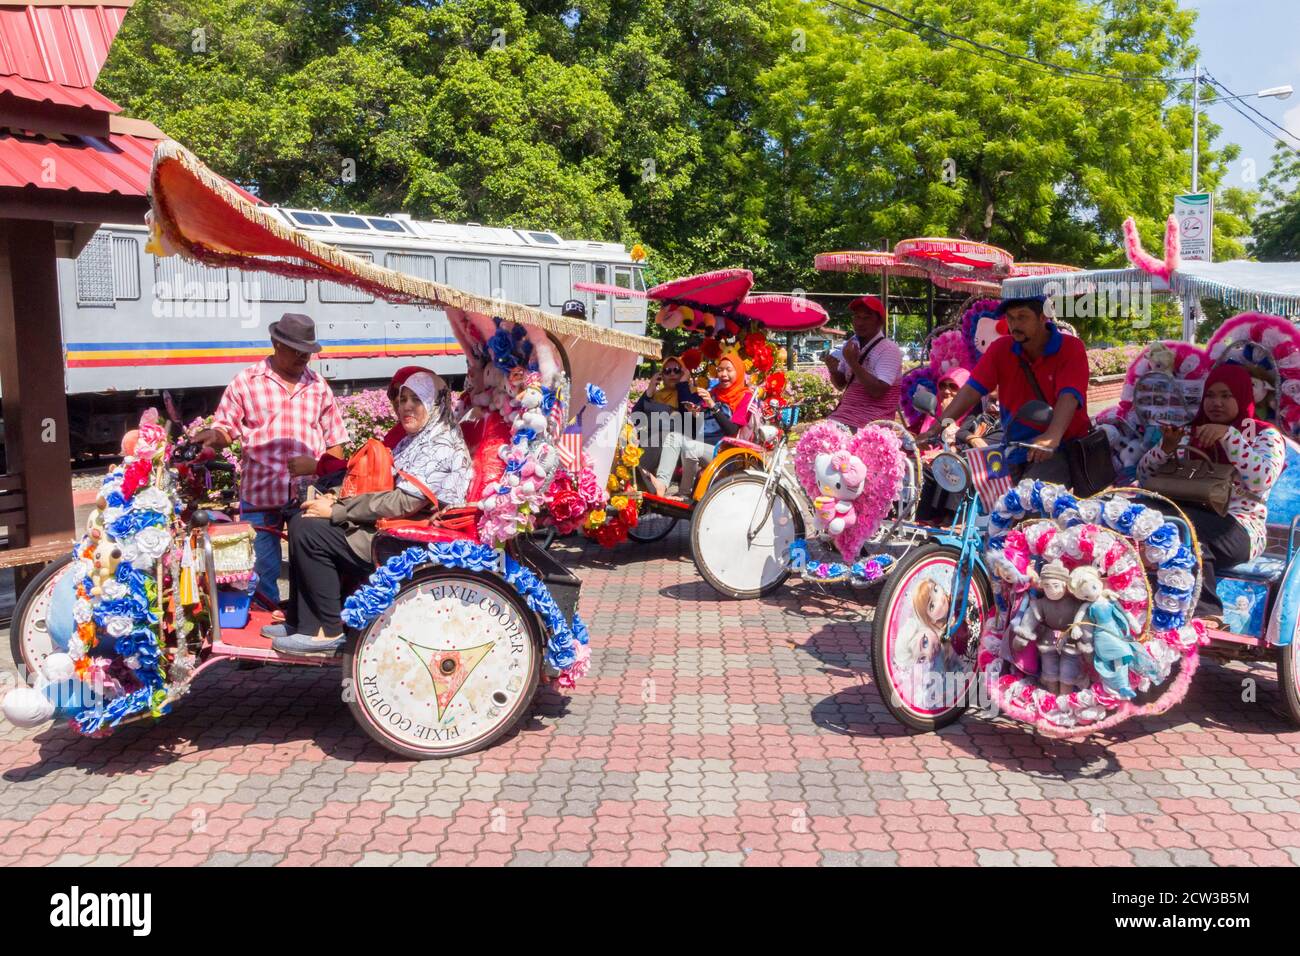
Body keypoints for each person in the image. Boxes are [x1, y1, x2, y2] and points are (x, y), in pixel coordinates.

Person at [269, 371, 473, 655]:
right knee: (302, 518)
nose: (406, 407)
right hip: (394, 526)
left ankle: (326, 631)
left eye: (416, 399)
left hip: (410, 539)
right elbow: (380, 484)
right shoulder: (416, 439)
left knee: (311, 531)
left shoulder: (440, 444)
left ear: (435, 403)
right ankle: (300, 621)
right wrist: (337, 496)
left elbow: (403, 502)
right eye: (402, 400)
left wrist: (339, 511)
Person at [194, 313, 347, 608]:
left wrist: (328, 482)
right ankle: (265, 631)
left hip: (309, 498)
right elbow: (227, 427)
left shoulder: (318, 385)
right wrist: (215, 436)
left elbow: (335, 439)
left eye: (308, 351)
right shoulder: (246, 381)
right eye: (297, 350)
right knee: (263, 570)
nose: (304, 357)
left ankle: (303, 625)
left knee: (312, 567)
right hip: (261, 496)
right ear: (276, 343)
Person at [1137, 364, 1286, 624]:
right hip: (1186, 518)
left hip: (1239, 527)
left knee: (1184, 524)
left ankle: (1209, 610)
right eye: (1211, 395)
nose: (1216, 403)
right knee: (1138, 507)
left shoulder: (1263, 435)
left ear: (1241, 396)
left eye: (1226, 396)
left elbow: (1261, 479)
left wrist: (1230, 436)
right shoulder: (1190, 432)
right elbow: (1144, 476)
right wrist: (1167, 448)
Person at [921, 296, 1089, 486]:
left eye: (1022, 317)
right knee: (988, 503)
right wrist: (937, 427)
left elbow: (1069, 395)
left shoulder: (1070, 348)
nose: (1014, 324)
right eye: (1010, 318)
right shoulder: (1001, 349)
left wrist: (1052, 436)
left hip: (1060, 447)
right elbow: (971, 389)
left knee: (1030, 504)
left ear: (1043, 317)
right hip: (1013, 447)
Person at [646, 352, 754, 498]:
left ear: (739, 372)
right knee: (673, 437)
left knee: (691, 448)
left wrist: (712, 406)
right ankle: (661, 484)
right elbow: (699, 425)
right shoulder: (715, 392)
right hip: (703, 444)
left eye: (729, 370)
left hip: (727, 453)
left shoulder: (745, 396)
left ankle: (685, 493)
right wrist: (695, 413)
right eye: (720, 370)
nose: (723, 374)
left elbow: (732, 430)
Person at [824, 295, 903, 431]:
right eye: (857, 317)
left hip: (870, 425)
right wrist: (833, 370)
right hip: (842, 419)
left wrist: (853, 362)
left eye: (866, 317)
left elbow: (878, 391)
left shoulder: (889, 349)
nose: (860, 323)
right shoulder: (851, 345)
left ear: (880, 322)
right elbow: (841, 385)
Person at [631, 356, 696, 475]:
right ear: (662, 376)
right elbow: (635, 417)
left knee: (661, 436)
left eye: (676, 370)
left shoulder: (692, 393)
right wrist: (650, 390)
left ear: (684, 373)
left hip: (679, 445)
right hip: (651, 443)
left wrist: (682, 385)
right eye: (667, 371)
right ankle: (637, 473)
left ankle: (638, 474)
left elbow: (687, 420)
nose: (672, 374)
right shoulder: (657, 395)